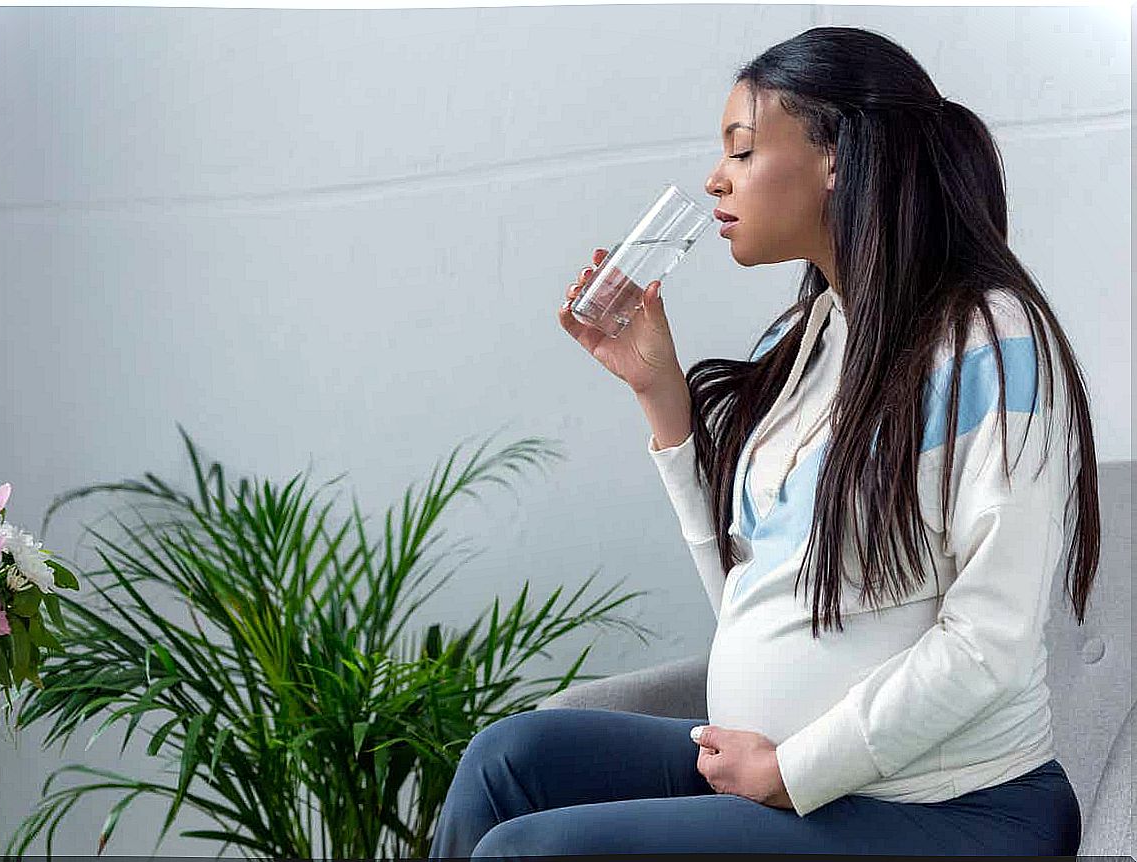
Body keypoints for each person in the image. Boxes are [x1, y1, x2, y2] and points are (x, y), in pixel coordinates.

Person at [428, 25, 1099, 858]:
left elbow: (988, 641)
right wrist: (662, 399)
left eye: (741, 153)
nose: (716, 179)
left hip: (945, 807)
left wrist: (793, 769)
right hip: (791, 779)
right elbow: (758, 596)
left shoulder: (987, 343)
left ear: (838, 160)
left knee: (528, 853)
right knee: (507, 760)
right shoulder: (810, 339)